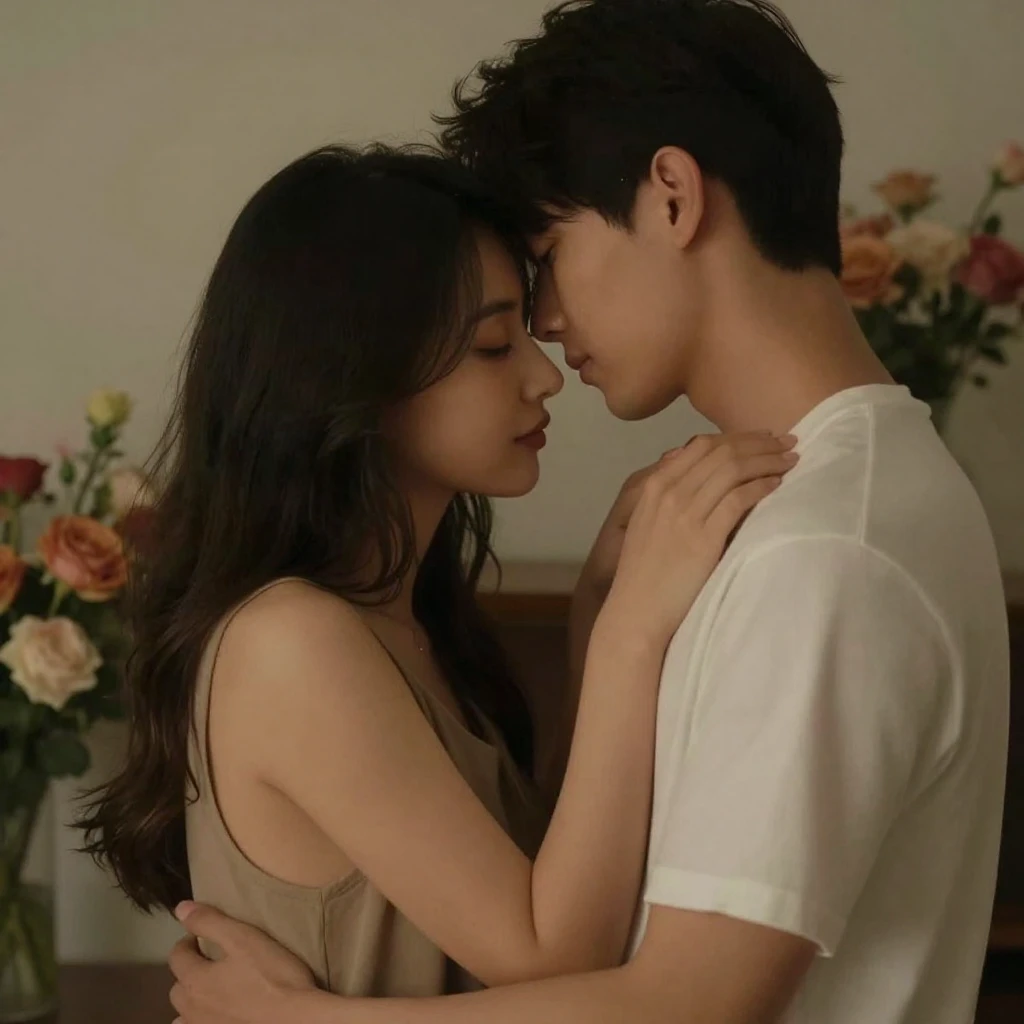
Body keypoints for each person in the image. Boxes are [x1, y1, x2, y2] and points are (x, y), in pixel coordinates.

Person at [166, 2, 1010, 1023]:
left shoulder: (822, 550)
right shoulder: (839, 510)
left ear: (671, 196)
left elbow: (665, 986)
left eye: (550, 252)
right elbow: (569, 938)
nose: (549, 341)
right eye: (496, 342)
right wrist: (611, 634)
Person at [77, 143, 794, 999]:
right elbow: (553, 955)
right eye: (493, 345)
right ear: (354, 376)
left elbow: (552, 879)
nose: (544, 377)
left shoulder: (402, 620)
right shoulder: (289, 643)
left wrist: (597, 612)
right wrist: (631, 636)